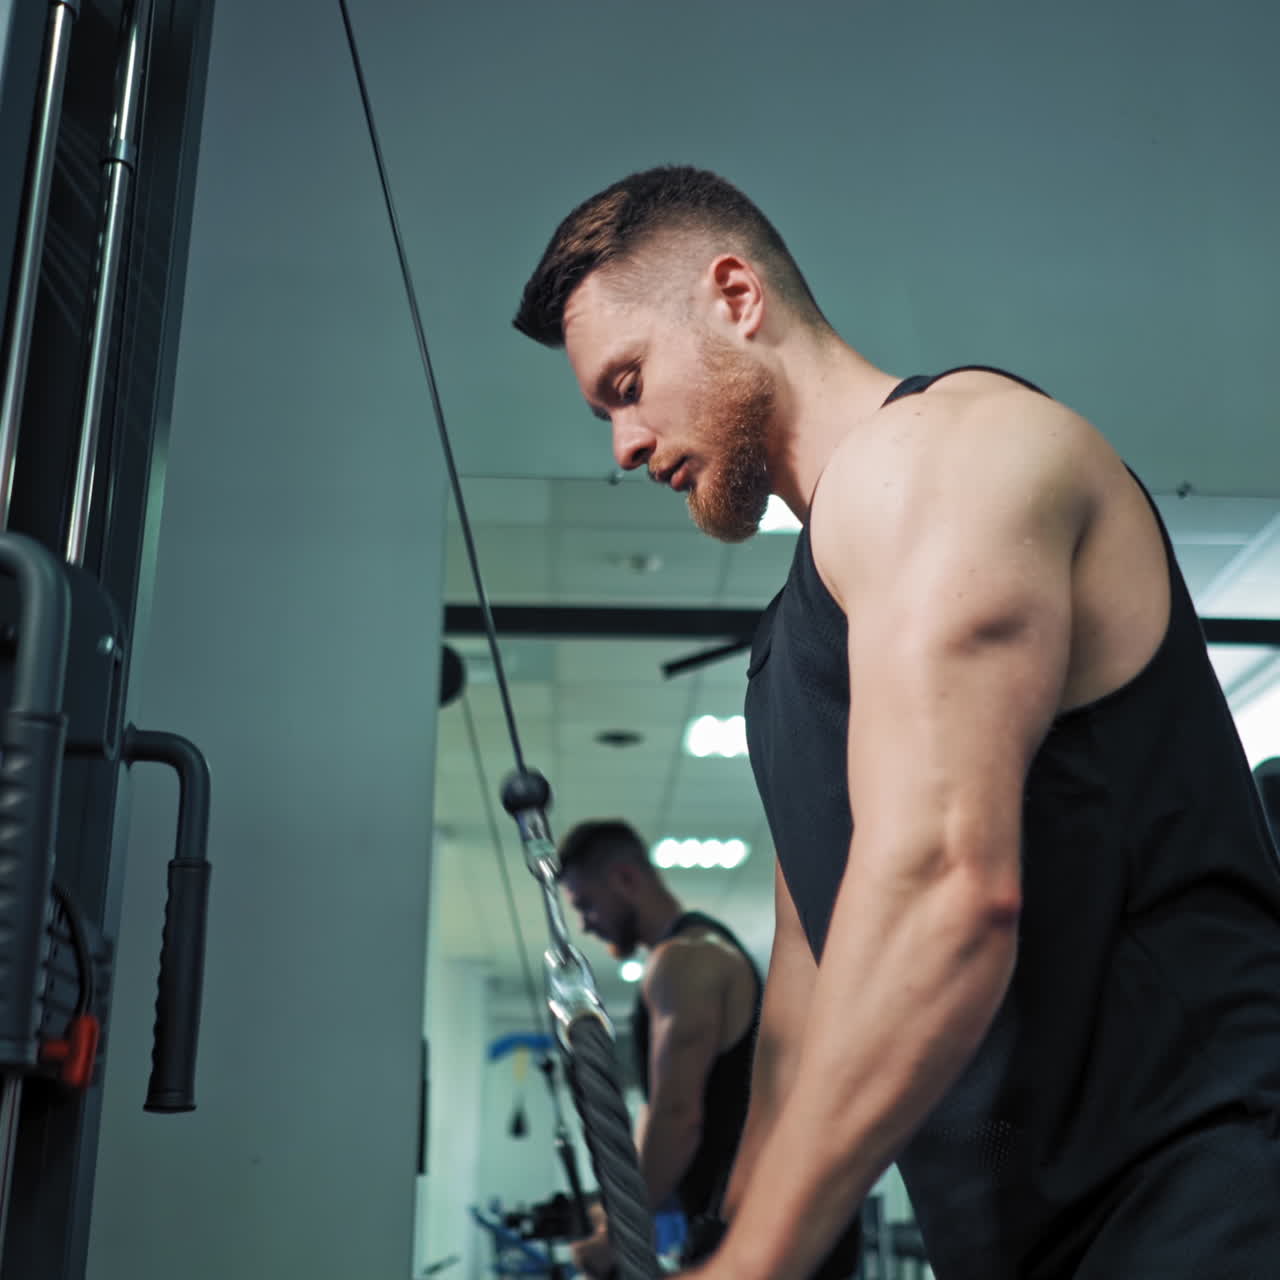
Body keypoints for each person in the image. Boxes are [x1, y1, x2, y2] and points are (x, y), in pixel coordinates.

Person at [512, 166, 1280, 1280]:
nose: (623, 446)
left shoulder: (947, 452)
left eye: (626, 384)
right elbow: (804, 1008)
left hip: (1203, 1191)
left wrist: (751, 1265)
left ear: (735, 296)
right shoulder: (787, 653)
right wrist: (726, 1237)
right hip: (1025, 1239)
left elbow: (946, 888)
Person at [554, 819, 761, 1275]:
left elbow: (678, 1115)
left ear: (626, 880)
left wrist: (617, 1236)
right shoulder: (686, 956)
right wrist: (614, 1208)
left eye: (587, 905)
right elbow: (663, 1110)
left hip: (752, 1231)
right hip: (730, 1222)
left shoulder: (685, 960)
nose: (588, 925)